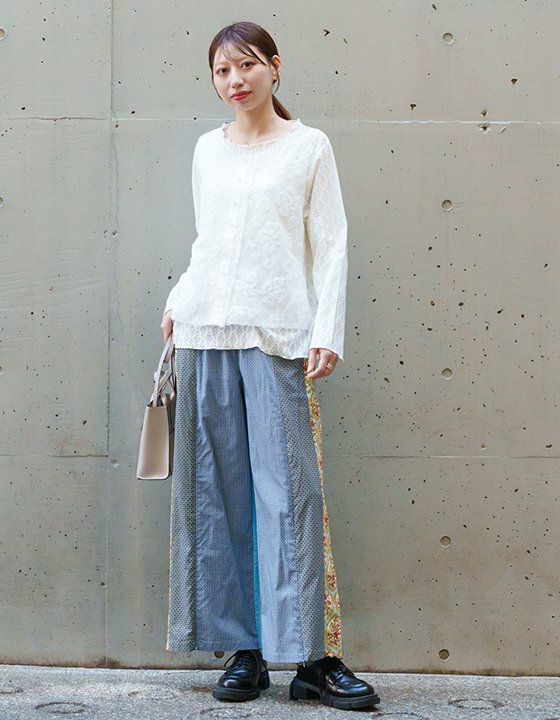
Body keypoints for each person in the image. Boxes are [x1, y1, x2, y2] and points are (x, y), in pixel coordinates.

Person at [160, 21, 380, 712]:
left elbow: (331, 243)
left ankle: (315, 659)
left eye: (247, 65)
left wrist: (327, 330)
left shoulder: (309, 147)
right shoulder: (207, 150)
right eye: (222, 71)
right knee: (214, 494)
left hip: (278, 335)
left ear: (274, 67)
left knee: (290, 495)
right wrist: (177, 302)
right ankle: (244, 653)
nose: (235, 81)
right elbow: (207, 240)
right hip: (202, 333)